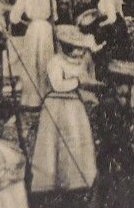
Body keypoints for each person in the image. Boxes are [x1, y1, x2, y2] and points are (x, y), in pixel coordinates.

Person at [31, 25, 100, 194]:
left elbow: (85, 79)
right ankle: (50, 181)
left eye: (82, 49)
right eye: (77, 49)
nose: (81, 52)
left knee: (76, 138)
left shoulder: (80, 62)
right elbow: (58, 85)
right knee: (54, 142)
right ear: (68, 48)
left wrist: (90, 86)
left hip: (74, 105)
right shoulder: (56, 62)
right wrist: (77, 82)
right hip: (56, 105)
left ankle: (76, 179)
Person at [88, 79, 134, 208]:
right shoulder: (107, 105)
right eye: (122, 85)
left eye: (128, 85)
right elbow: (105, 130)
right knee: (111, 182)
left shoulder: (125, 105)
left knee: (129, 180)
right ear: (115, 86)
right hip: (111, 150)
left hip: (123, 148)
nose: (126, 89)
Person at [11, 0, 55, 110]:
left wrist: (25, 22)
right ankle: (46, 97)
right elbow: (54, 18)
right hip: (46, 30)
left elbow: (13, 18)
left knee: (32, 63)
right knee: (44, 61)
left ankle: (32, 100)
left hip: (33, 29)